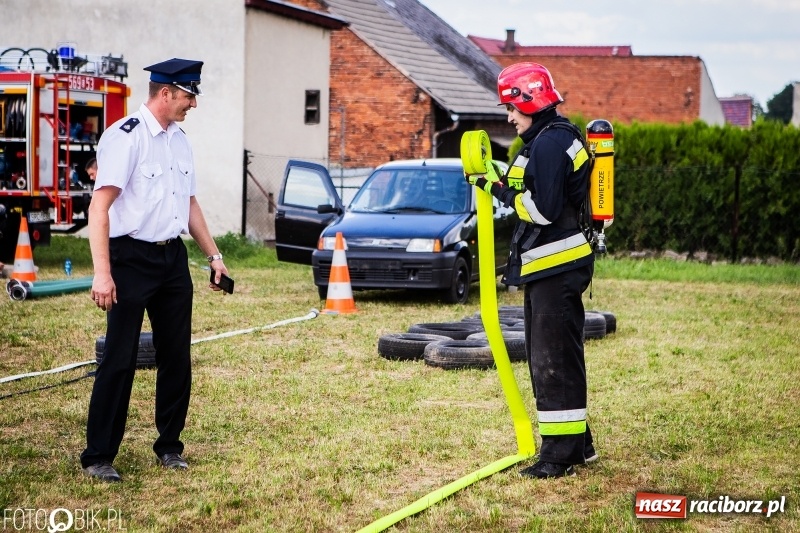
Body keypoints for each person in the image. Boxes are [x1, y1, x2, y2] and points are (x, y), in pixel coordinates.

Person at [81, 57, 229, 482]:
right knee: (120, 359)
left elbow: (190, 204)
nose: (193, 104)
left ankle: (169, 447)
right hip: (129, 259)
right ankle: (98, 456)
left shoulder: (180, 140)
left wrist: (214, 256)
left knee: (176, 357)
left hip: (172, 261)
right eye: (187, 95)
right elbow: (100, 207)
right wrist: (102, 272)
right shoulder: (124, 138)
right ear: (165, 93)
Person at [466, 62, 596, 478]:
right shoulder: (550, 139)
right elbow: (534, 187)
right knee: (559, 356)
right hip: (553, 268)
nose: (508, 117)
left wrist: (496, 189)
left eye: (511, 108)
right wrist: (497, 178)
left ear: (529, 100)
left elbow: (541, 209)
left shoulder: (547, 144)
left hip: (556, 267)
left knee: (551, 360)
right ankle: (580, 445)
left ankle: (559, 457)